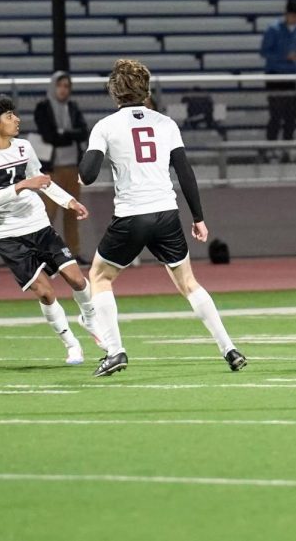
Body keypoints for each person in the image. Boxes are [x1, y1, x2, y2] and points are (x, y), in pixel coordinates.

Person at [78, 59, 246, 377]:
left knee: (100, 278)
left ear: (115, 93)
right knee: (189, 283)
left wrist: (90, 152)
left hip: (131, 215)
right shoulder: (165, 123)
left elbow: (86, 176)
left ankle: (115, 351)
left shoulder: (106, 126)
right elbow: (184, 172)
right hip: (166, 214)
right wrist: (198, 217)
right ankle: (229, 348)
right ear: (146, 90)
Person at [0, 94, 100, 364]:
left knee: (76, 279)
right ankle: (71, 344)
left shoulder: (25, 147)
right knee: (45, 292)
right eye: (9, 116)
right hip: (5, 234)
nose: (17, 120)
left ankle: (90, 319)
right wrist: (21, 186)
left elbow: (41, 181)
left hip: (38, 224)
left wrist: (69, 201)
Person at [34, 71, 90, 262]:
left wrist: (63, 133)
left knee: (72, 213)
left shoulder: (73, 107)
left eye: (67, 86)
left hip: (73, 167)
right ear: (53, 86)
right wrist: (68, 135)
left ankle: (74, 252)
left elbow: (83, 132)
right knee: (48, 213)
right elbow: (49, 136)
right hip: (52, 169)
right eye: (60, 85)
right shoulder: (43, 107)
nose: (64, 90)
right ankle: (44, 252)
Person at [259, 0, 296, 162]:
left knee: (291, 116)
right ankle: (270, 148)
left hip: (294, 77)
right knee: (276, 114)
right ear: (287, 14)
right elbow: (265, 52)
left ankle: (287, 148)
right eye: (294, 15)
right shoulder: (273, 29)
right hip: (276, 76)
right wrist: (285, 57)